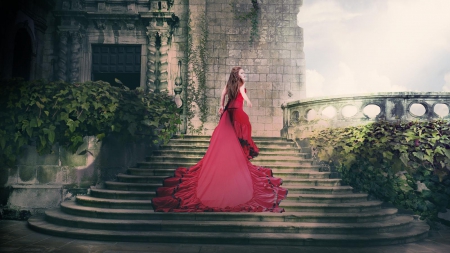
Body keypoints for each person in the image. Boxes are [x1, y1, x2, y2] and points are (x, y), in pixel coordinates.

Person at [152, 67, 287, 212]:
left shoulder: (229, 85)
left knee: (230, 137)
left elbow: (223, 94)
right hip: (237, 113)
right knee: (242, 130)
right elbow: (241, 93)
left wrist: (221, 106)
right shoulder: (241, 84)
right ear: (237, 75)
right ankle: (235, 157)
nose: (244, 75)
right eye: (242, 73)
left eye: (244, 73)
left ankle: (232, 156)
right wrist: (248, 101)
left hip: (229, 112)